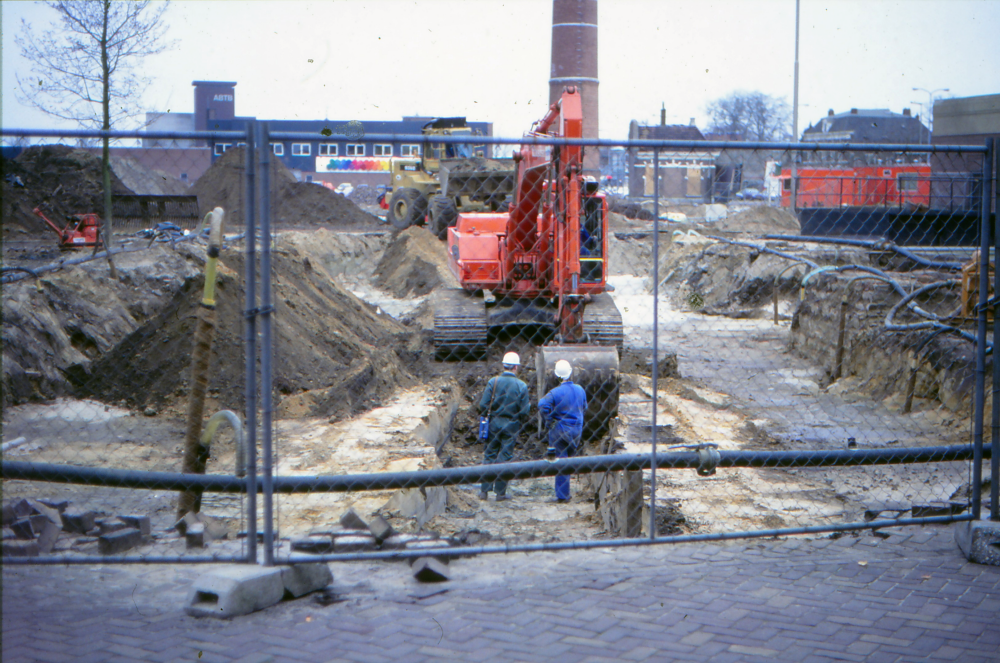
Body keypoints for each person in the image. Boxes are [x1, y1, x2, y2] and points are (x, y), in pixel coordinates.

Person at [478, 351, 530, 502]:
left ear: (504, 365)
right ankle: (500, 492)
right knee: (505, 457)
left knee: (489, 455)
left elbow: (483, 405)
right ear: (515, 367)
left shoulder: (493, 382)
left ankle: (484, 491)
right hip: (511, 425)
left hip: (493, 423)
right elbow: (525, 411)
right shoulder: (521, 386)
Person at [538, 359, 587, 502]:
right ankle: (566, 490)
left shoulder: (555, 392)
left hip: (560, 431)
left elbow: (542, 405)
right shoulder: (580, 390)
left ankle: (562, 496)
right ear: (571, 373)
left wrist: (549, 419)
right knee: (569, 459)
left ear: (557, 376)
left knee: (560, 461)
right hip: (576, 430)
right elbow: (584, 407)